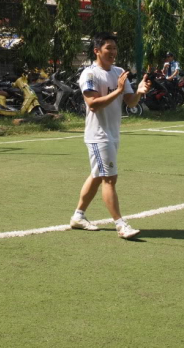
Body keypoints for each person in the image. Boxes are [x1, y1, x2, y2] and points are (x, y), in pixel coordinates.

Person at [70, 32, 150, 239]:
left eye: (114, 48)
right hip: (98, 135)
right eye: (108, 48)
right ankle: (121, 225)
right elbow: (93, 104)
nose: (113, 52)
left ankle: (78, 216)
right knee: (110, 179)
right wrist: (118, 91)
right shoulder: (89, 74)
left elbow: (130, 102)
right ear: (97, 51)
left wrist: (139, 91)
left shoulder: (119, 72)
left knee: (97, 177)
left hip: (113, 134)